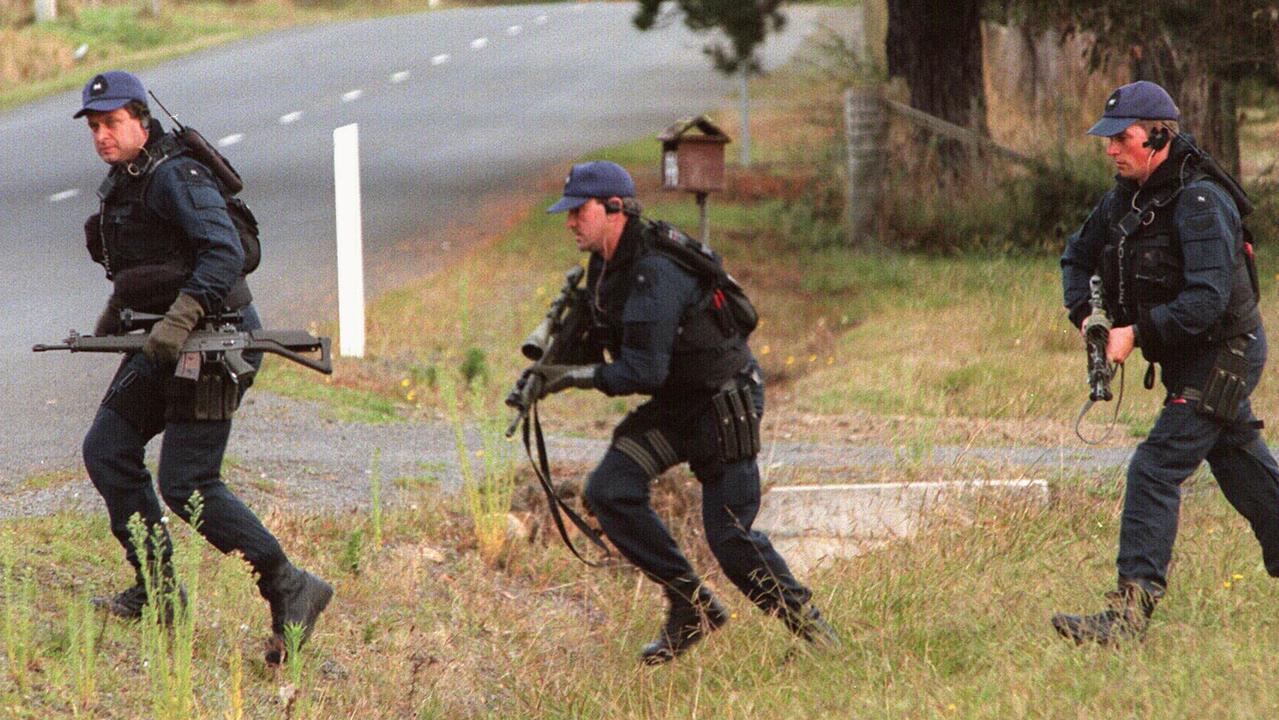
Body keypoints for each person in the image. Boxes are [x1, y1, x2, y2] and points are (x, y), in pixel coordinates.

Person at [535, 160, 838, 664]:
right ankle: (690, 607)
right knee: (610, 490)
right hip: (679, 405)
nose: (569, 222)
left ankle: (818, 637)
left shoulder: (655, 271)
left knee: (731, 541)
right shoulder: (608, 267)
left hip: (723, 404)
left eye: (578, 211)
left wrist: (576, 378)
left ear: (615, 210)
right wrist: (550, 368)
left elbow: (642, 371)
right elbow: (610, 341)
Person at [75, 71, 332, 664]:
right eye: (94, 127)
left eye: (111, 124)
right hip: (166, 343)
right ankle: (158, 591)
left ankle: (290, 585)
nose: (102, 137)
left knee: (187, 483)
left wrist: (181, 316)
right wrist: (115, 321)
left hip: (213, 344)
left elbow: (225, 253)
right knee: (107, 447)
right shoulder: (126, 180)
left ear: (141, 118)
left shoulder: (175, 177)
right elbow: (140, 265)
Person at [1055, 80, 1279, 644]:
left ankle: (1127, 619)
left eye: (1121, 137)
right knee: (1244, 470)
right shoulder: (1124, 197)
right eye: (1106, 138)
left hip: (1223, 355)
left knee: (1155, 467)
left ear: (1157, 136)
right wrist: (1089, 317)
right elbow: (1075, 257)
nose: (1110, 149)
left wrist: (1136, 332)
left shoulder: (1201, 200)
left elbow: (1206, 302)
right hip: (1189, 359)